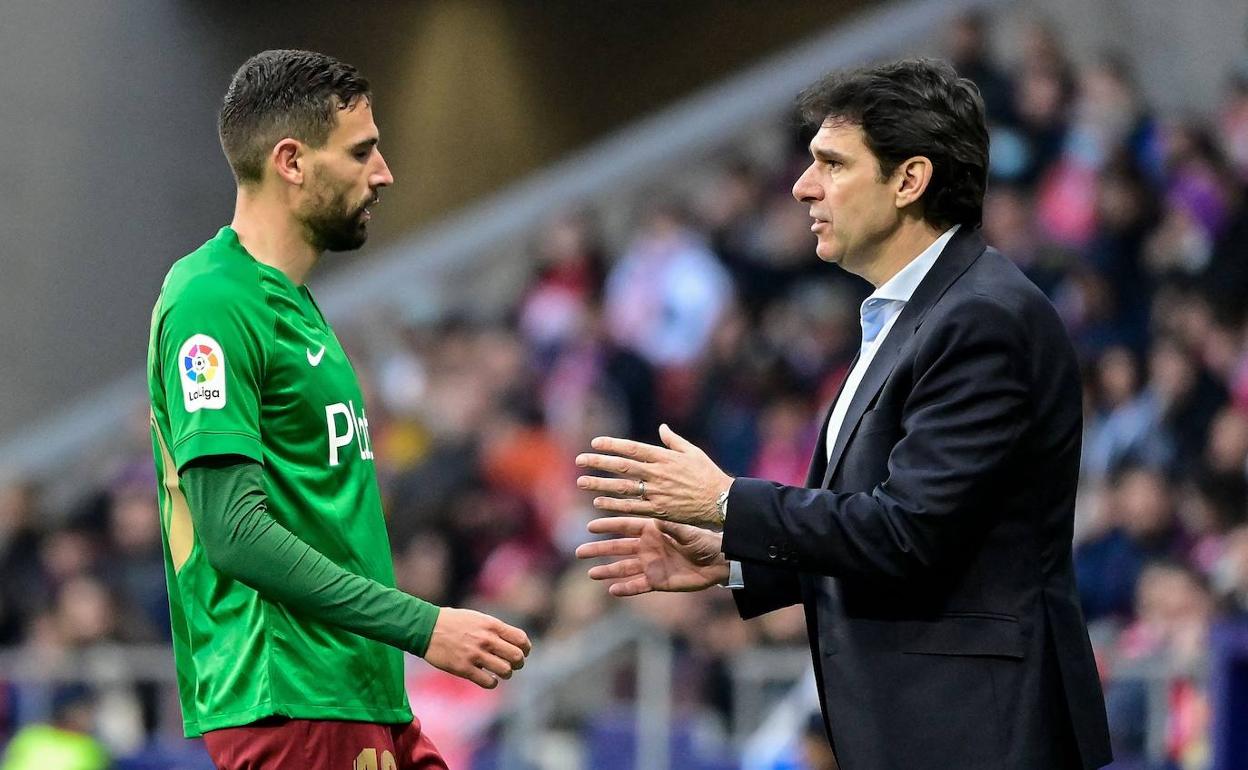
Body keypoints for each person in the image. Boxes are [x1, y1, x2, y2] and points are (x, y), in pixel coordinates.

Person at [575, 59, 1112, 769]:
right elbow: (921, 542)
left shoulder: (981, 318)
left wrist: (729, 503)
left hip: (978, 732)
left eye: (831, 163)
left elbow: (910, 533)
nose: (802, 186)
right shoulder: (917, 314)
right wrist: (737, 561)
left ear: (909, 179)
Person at [146, 50, 530, 770]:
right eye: (362, 152)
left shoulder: (295, 307)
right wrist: (424, 627)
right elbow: (232, 533)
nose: (383, 172)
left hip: (357, 692)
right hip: (290, 694)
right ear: (291, 161)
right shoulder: (212, 302)